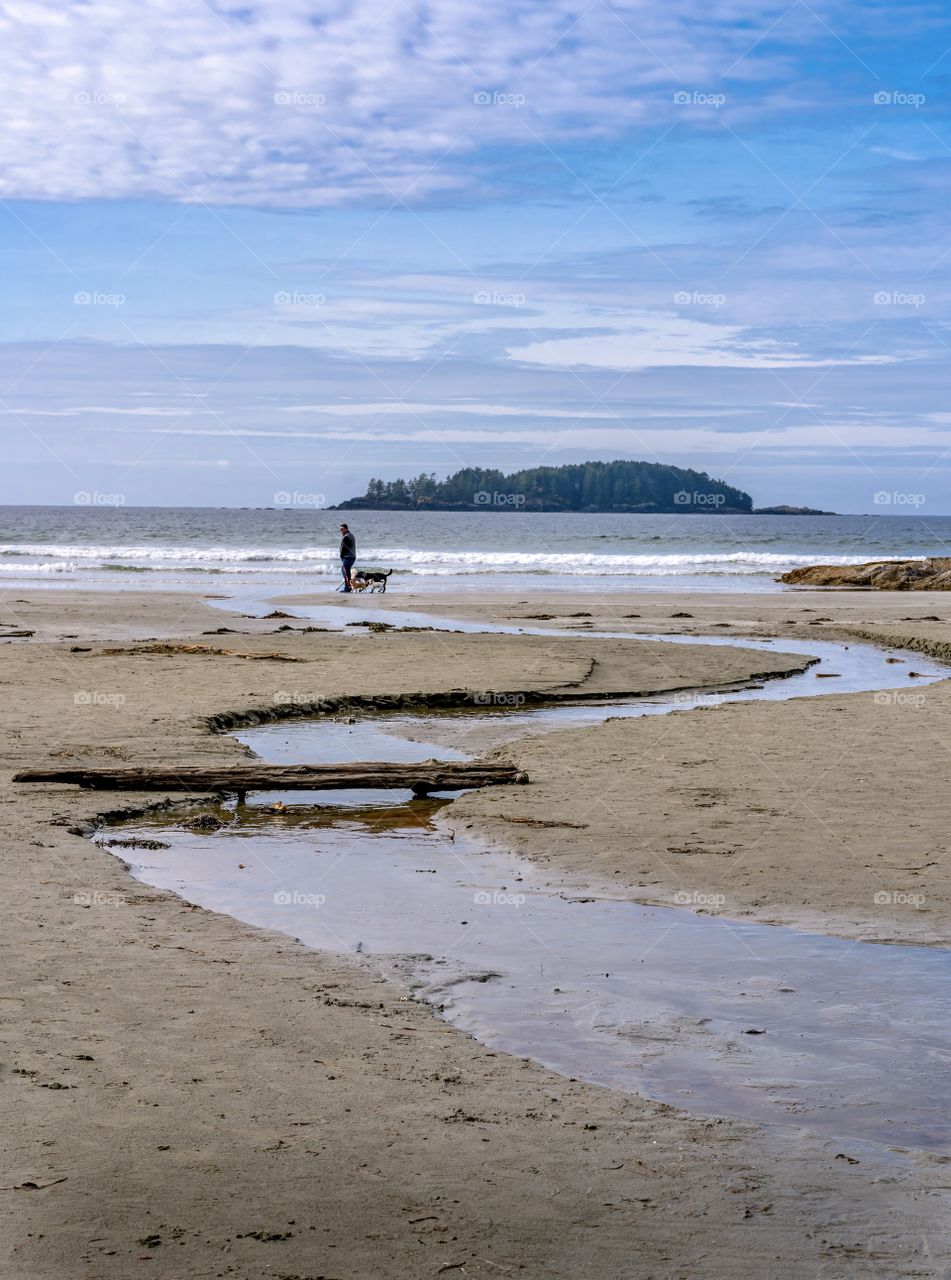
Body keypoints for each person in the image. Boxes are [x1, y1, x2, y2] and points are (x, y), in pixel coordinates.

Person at [339, 522, 356, 592]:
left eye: (342, 529)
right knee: (346, 573)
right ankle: (349, 586)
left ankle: (347, 588)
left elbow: (344, 548)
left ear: (346, 529)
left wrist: (341, 556)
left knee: (345, 573)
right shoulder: (351, 535)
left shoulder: (346, 537)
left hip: (348, 557)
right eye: (340, 530)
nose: (341, 531)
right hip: (352, 557)